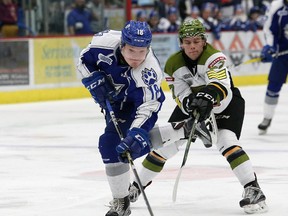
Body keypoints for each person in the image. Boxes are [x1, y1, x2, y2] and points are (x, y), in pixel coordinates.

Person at [128, 19, 269, 214]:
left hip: (226, 105)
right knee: (167, 144)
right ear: (181, 43)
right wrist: (190, 105)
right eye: (187, 42)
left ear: (204, 40)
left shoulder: (215, 57)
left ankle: (253, 188)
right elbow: (180, 93)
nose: (192, 46)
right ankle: (135, 187)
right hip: (194, 107)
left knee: (226, 141)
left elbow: (221, 86)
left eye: (196, 41)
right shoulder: (172, 64)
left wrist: (207, 96)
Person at [77, 20, 195, 216]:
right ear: (122, 45)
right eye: (132, 50)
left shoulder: (149, 70)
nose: (137, 57)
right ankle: (184, 129)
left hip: (136, 103)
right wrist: (92, 78)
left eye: (142, 51)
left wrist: (137, 132)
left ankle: (121, 202)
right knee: (115, 146)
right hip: (114, 101)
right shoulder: (103, 42)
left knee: (113, 145)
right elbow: (83, 60)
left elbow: (149, 106)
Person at [258, 0, 288, 135]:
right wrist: (270, 47)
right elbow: (269, 29)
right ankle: (267, 117)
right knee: (273, 86)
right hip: (282, 55)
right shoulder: (277, 7)